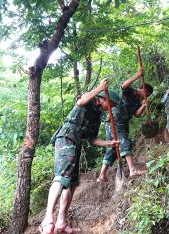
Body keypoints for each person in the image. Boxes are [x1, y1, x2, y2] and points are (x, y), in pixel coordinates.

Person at [39, 79, 120, 234]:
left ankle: (61, 223)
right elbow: (81, 100)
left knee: (72, 183)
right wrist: (100, 88)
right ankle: (47, 220)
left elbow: (92, 139)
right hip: (66, 138)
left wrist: (109, 143)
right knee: (62, 177)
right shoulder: (88, 100)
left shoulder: (97, 116)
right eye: (111, 104)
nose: (110, 108)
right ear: (103, 98)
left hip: (76, 143)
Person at [97, 69, 154, 182]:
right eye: (147, 94)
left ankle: (102, 175)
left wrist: (143, 106)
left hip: (122, 123)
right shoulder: (131, 91)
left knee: (112, 148)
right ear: (144, 89)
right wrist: (137, 75)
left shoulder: (138, 100)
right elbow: (123, 85)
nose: (146, 97)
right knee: (124, 141)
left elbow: (137, 115)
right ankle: (132, 170)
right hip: (115, 121)